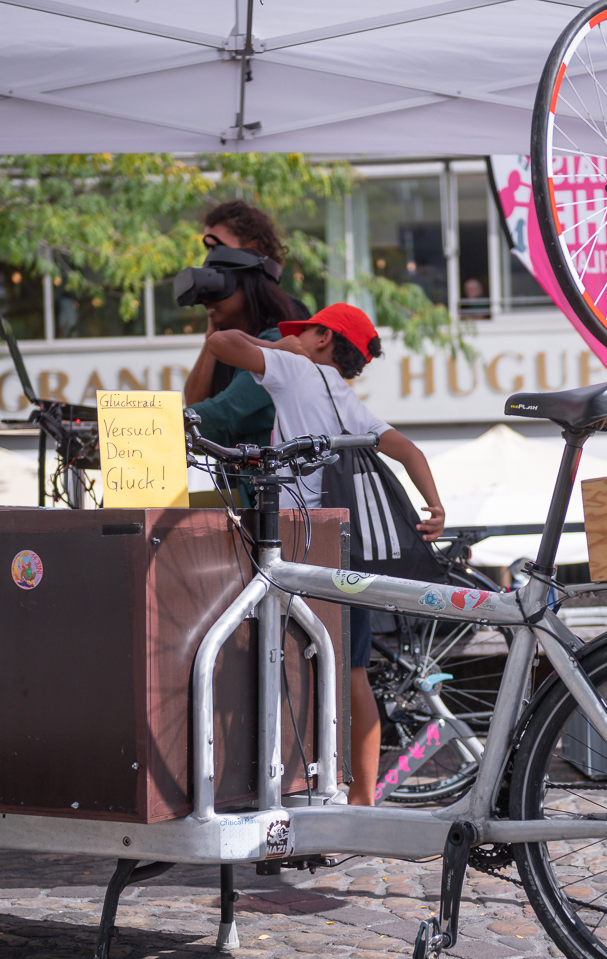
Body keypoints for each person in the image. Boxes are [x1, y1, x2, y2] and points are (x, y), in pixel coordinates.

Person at [206, 303, 446, 805]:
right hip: (347, 545)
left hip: (301, 540)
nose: (291, 337)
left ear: (320, 338)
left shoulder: (294, 370)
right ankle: (361, 799)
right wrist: (436, 506)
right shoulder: (346, 397)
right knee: (351, 670)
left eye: (303, 331)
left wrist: (277, 347)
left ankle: (290, 786)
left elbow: (221, 343)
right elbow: (409, 450)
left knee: (287, 655)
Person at [182, 200, 308, 451]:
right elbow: (196, 402)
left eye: (218, 248)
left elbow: (221, 410)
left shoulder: (288, 318)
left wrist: (154, 425)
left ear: (253, 250)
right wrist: (215, 326)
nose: (210, 258)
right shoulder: (224, 322)